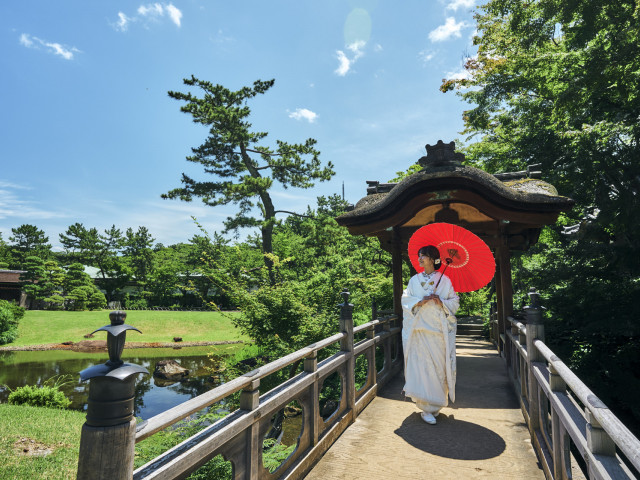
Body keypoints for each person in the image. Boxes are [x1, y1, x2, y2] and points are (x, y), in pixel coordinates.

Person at [401, 245, 459, 425]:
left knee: (437, 369)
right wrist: (420, 300)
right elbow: (405, 299)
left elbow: (455, 301)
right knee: (421, 369)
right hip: (419, 332)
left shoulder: (445, 280)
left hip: (437, 332)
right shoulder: (414, 280)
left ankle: (436, 404)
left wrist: (440, 301)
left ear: (433, 259)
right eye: (419, 256)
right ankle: (425, 407)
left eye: (423, 256)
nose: (420, 259)